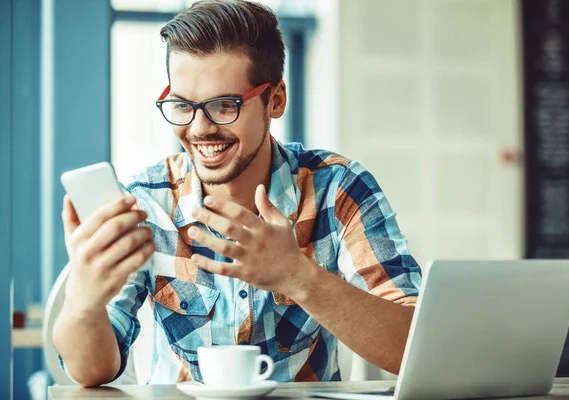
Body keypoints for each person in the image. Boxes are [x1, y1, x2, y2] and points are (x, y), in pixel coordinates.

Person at [53, 0, 421, 387]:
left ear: (275, 100)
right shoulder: (147, 202)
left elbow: (412, 347)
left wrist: (299, 277)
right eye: (182, 105)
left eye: (223, 105)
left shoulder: (338, 188)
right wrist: (84, 303)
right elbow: (91, 373)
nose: (199, 129)